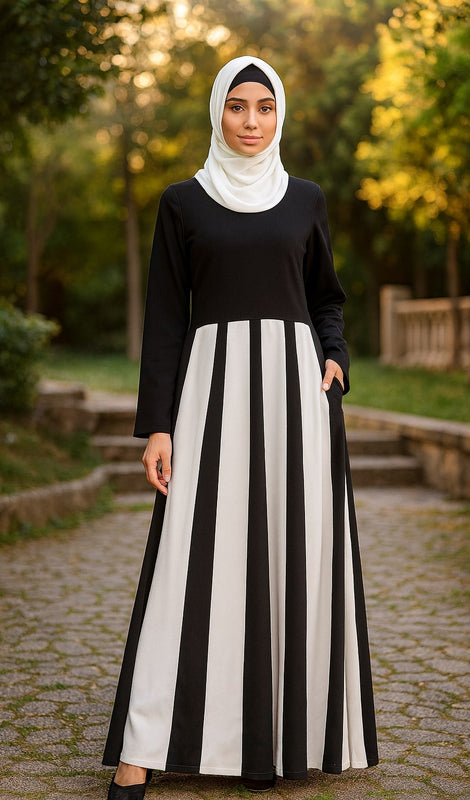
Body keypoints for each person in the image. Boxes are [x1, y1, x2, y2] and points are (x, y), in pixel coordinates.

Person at [102, 55, 378, 799]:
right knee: (189, 568)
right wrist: (156, 427)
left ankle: (273, 746)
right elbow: (165, 320)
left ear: (278, 113)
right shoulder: (181, 203)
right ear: (217, 113)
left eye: (263, 107)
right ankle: (143, 745)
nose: (250, 121)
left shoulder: (306, 199)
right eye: (236, 106)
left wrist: (335, 359)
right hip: (210, 399)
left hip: (296, 406)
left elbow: (327, 297)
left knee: (291, 561)